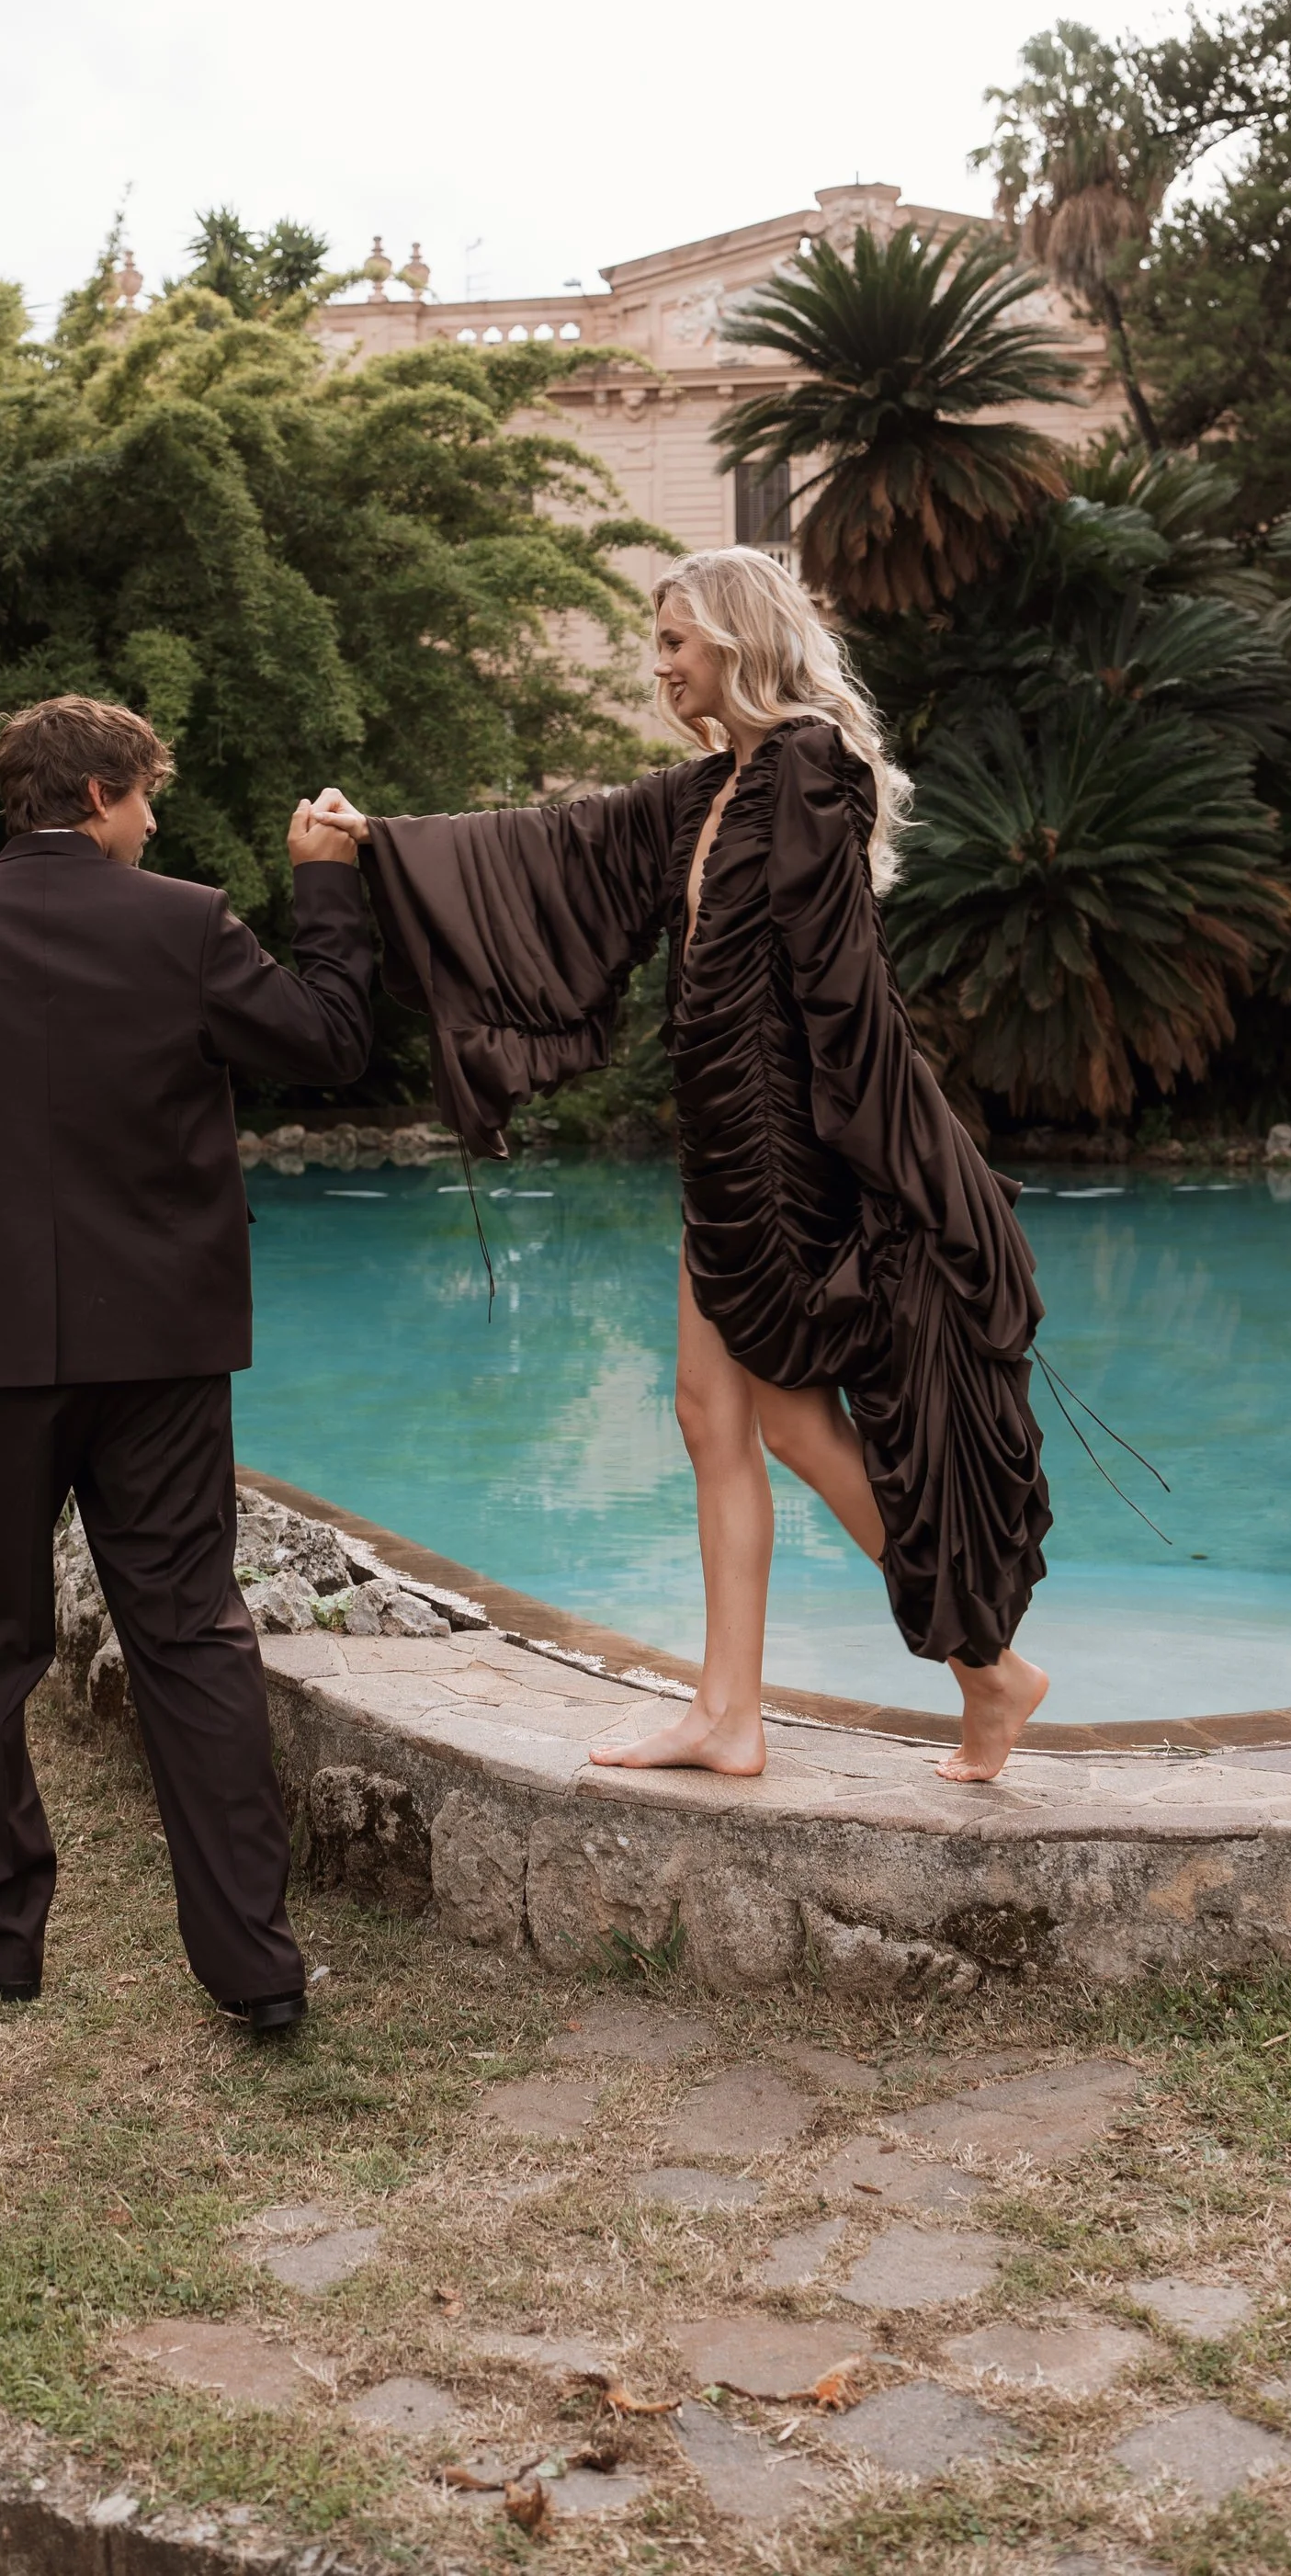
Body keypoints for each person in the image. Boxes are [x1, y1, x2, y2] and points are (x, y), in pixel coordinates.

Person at [309, 548, 1052, 1785]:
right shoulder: (712, 789)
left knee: (796, 1426)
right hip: (723, 1142)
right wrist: (377, 841)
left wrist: (895, 1155)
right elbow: (554, 845)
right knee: (710, 1418)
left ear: (736, 639)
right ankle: (728, 1715)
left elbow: (846, 982)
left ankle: (987, 1667)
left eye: (674, 642)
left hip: (786, 1151)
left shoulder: (808, 765)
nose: (659, 667)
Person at [0, 693, 376, 2026]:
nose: (154, 822)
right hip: (164, 1356)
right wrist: (326, 885)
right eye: (145, 796)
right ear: (97, 794)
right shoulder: (187, 923)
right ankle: (257, 1969)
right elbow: (331, 1041)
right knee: (190, 1635)